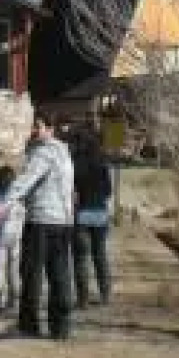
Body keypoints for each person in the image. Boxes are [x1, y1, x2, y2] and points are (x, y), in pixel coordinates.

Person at [0, 112, 76, 340]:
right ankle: (61, 327)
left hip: (41, 220)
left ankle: (29, 324)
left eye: (38, 126)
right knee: (60, 274)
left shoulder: (43, 153)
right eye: (33, 126)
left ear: (50, 129)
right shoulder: (64, 153)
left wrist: (4, 203)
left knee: (31, 273)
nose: (34, 130)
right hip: (63, 221)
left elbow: (25, 181)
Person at [71, 130, 113, 308]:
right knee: (100, 255)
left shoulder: (76, 164)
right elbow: (108, 191)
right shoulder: (103, 164)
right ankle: (105, 295)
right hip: (100, 214)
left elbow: (72, 191)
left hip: (82, 214)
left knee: (81, 258)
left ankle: (83, 299)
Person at [0, 166, 23, 316]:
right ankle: (13, 300)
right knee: (13, 270)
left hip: (0, 235)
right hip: (16, 236)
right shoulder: (18, 194)